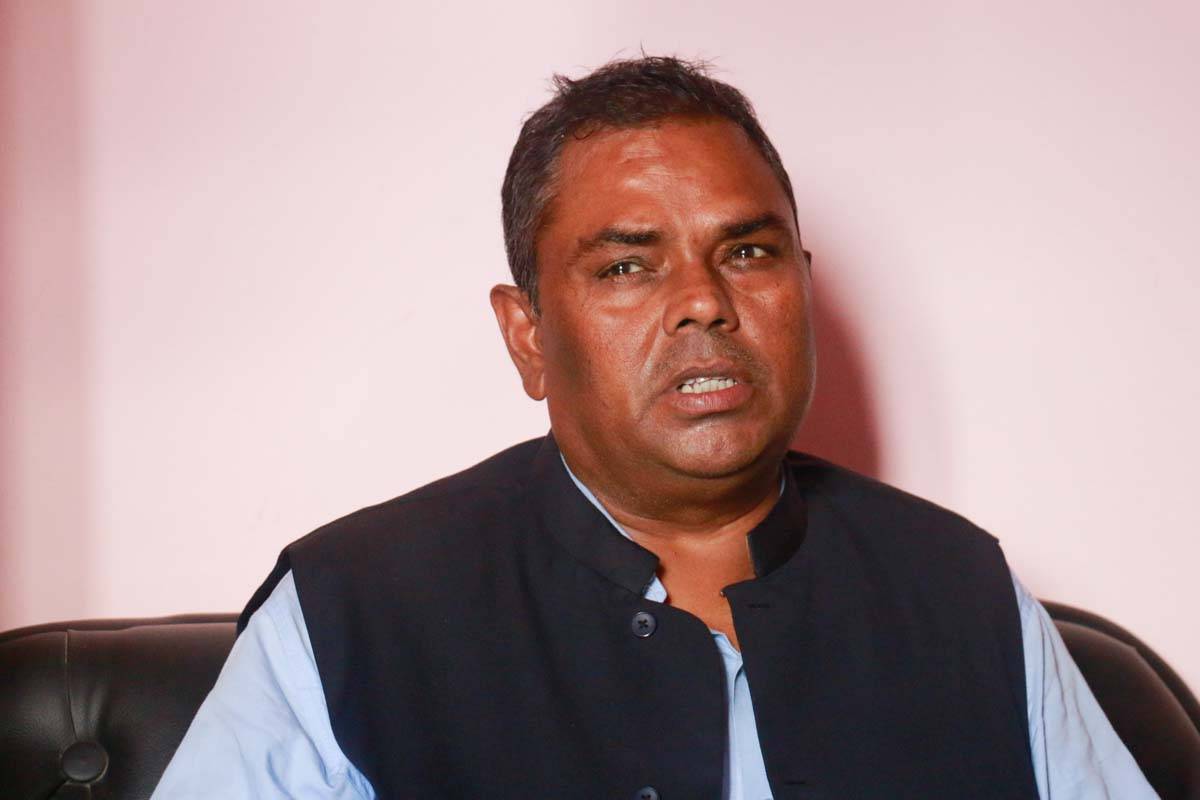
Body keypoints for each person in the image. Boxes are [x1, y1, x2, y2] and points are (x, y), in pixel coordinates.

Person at [151, 57, 1156, 799]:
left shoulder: (963, 588)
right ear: (528, 335)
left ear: (801, 290)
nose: (704, 301)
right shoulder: (352, 610)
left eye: (748, 252)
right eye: (627, 265)